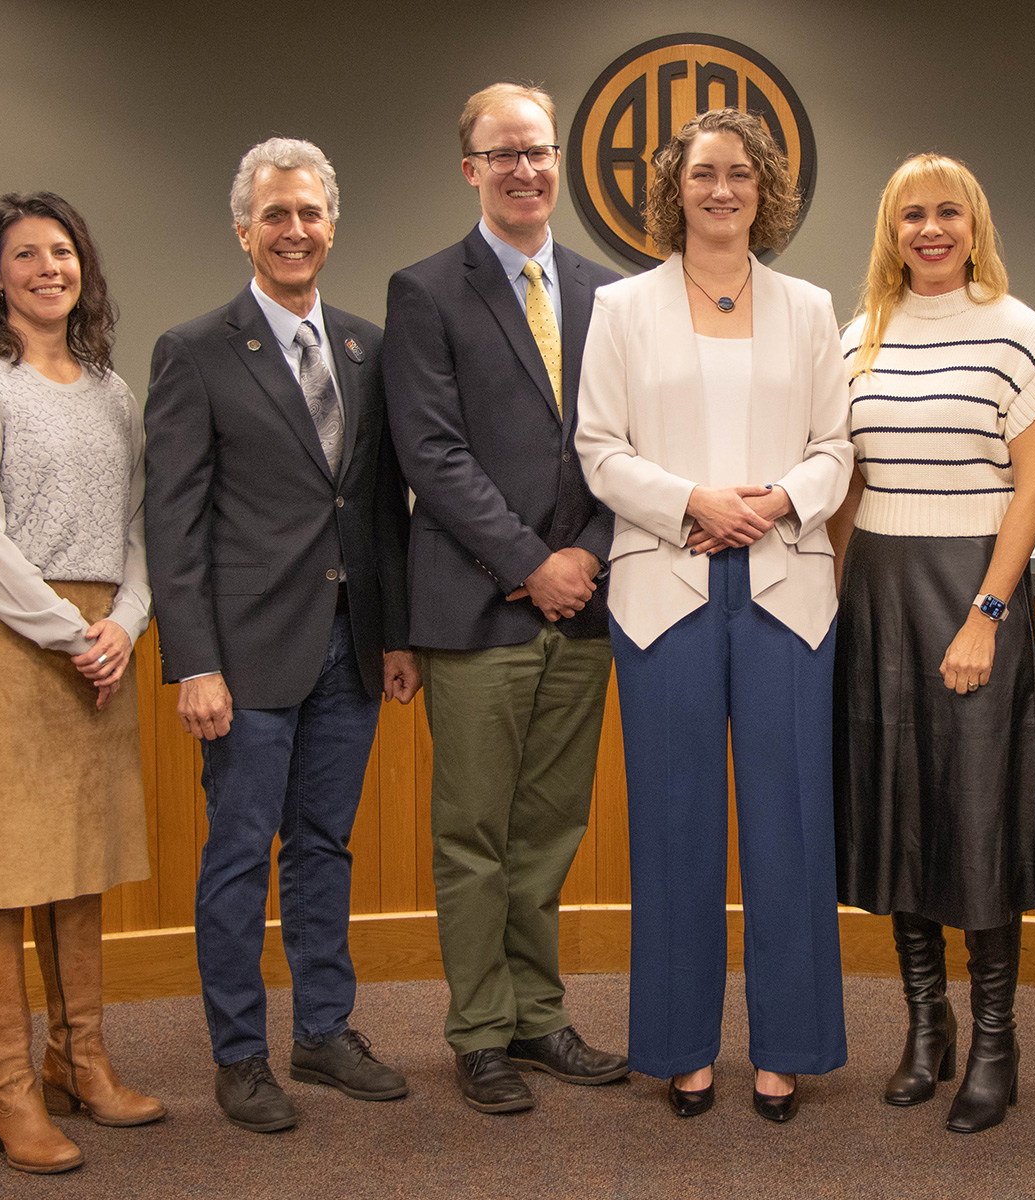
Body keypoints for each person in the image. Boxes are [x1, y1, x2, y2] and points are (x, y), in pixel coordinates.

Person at [575, 108, 852, 1124]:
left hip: (785, 585)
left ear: (763, 188)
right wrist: (697, 502)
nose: (721, 189)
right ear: (674, 188)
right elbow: (599, 449)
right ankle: (682, 1048)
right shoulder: (622, 308)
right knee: (675, 827)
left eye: (739, 174)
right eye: (703, 174)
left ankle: (787, 1048)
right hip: (665, 589)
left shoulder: (810, 308)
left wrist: (774, 503)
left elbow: (836, 446)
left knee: (791, 830)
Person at [143, 137, 418, 1133]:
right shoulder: (194, 350)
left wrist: (393, 635)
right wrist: (196, 663)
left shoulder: (365, 346)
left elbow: (382, 502)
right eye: (275, 215)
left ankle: (326, 1031)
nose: (294, 230)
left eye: (309, 214)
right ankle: (242, 1054)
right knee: (239, 854)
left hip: (351, 643)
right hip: (245, 655)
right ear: (243, 230)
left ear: (331, 227)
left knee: (324, 846)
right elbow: (172, 524)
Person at [0, 191, 164, 1173]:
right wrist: (68, 632)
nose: (49, 267)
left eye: (62, 251)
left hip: (96, 644)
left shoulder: (110, 388)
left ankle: (78, 1061)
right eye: (26, 255)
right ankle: (7, 1092)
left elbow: (139, 529)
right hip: (1, 640)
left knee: (75, 859)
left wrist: (125, 624)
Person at [383, 82, 628, 1114]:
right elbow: (430, 454)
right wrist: (535, 562)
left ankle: (537, 1015)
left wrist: (592, 554)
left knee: (549, 830)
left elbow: (635, 447)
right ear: (471, 168)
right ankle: (479, 1028)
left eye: (540, 150)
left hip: (587, 608)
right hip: (481, 608)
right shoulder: (427, 290)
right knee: (475, 834)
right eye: (506, 152)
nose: (527, 169)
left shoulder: (612, 292)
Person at [828, 153, 1035, 1134]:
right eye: (912, 215)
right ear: (892, 230)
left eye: (949, 214)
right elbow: (843, 484)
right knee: (902, 812)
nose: (931, 230)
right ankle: (925, 1026)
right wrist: (835, 595)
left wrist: (988, 612)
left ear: (975, 225)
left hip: (975, 593)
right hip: (878, 593)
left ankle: (995, 1041)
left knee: (976, 814)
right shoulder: (859, 338)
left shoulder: (1018, 332)